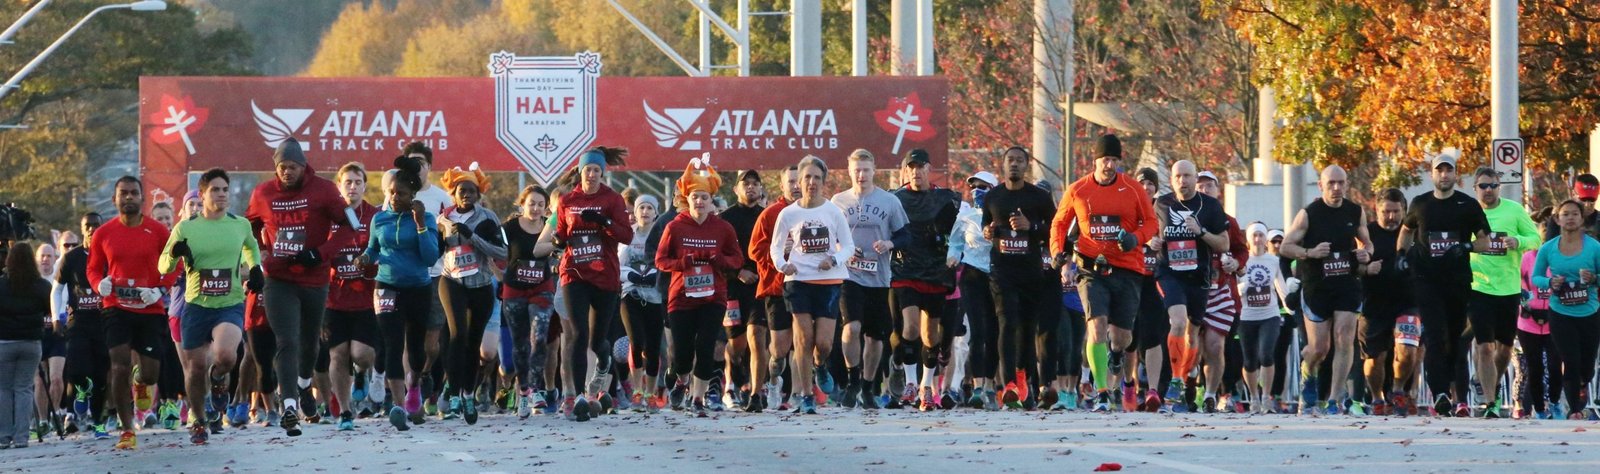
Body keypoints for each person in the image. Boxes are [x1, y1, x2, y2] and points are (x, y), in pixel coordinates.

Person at [245, 138, 354, 436]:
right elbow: (248, 226)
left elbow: (350, 225)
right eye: (281, 167)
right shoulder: (263, 193)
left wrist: (321, 253)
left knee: (310, 343)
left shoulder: (324, 190)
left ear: (303, 166)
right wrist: (259, 253)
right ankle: (289, 405)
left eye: (292, 167)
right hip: (278, 278)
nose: (286, 173)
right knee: (286, 340)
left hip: (314, 277)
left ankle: (305, 385)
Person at [1050, 135, 1159, 412]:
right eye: (1104, 160)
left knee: (1122, 336)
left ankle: (1117, 354)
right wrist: (1057, 253)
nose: (1109, 165)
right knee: (1096, 326)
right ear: (1094, 161)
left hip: (1127, 269)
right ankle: (1101, 391)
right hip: (1091, 268)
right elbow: (1060, 223)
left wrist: (1136, 238)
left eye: (1114, 160)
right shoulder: (1078, 189)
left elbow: (1151, 222)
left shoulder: (1133, 189)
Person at [158, 168, 262, 444]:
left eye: (225, 189)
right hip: (196, 306)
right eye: (215, 190)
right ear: (202, 195)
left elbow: (251, 248)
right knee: (194, 369)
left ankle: (218, 380)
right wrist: (174, 253)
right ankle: (199, 421)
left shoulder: (239, 224)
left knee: (227, 356)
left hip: (229, 304)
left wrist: (256, 268)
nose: (222, 194)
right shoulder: (186, 228)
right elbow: (162, 266)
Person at [1398, 148, 1491, 417]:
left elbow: (1485, 242)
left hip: (1458, 280)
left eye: (1449, 170)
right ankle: (1439, 392)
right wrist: (1401, 255)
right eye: (1439, 170)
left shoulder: (1468, 205)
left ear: (1456, 175)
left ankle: (1449, 387)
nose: (1444, 174)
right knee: (1435, 336)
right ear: (1432, 174)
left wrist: (1466, 246)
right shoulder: (1420, 204)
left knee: (1453, 337)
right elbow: (1406, 231)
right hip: (1427, 279)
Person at [87, 176, 176, 449]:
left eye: (133, 193)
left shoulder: (158, 231)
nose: (128, 197)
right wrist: (98, 284)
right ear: (115, 199)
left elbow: (175, 265)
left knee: (150, 374)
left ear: (142, 198)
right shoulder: (103, 233)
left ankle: (141, 381)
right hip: (116, 307)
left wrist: (160, 290)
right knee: (118, 365)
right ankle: (127, 429)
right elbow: (92, 268)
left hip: (149, 308)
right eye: (123, 193)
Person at [1279, 165, 1373, 415]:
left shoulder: (1355, 211)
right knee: (1319, 348)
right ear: (1321, 186)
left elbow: (1368, 243)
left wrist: (1367, 253)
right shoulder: (1309, 214)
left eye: (1341, 183)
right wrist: (1309, 252)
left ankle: (1335, 398)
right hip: (1317, 285)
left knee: (1344, 338)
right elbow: (1286, 247)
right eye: (1331, 183)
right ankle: (1308, 374)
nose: (1337, 188)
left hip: (1346, 283)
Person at [656, 159, 745, 416]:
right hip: (681, 298)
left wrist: (720, 261)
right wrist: (684, 262)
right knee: (682, 355)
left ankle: (698, 398)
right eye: (695, 197)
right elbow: (660, 260)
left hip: (713, 297)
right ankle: (682, 382)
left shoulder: (723, 228)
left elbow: (737, 259)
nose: (699, 202)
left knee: (706, 348)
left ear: (711, 200)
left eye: (704, 197)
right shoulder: (674, 227)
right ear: (687, 199)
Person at [770, 155, 856, 414]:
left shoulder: (832, 211)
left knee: (825, 343)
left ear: (823, 182)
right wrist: (782, 265)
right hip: (798, 281)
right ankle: (806, 395)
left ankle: (821, 365)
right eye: (807, 177)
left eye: (817, 178)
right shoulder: (788, 213)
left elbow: (849, 246)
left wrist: (835, 259)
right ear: (799, 181)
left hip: (828, 282)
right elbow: (775, 248)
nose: (811, 182)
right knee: (804, 338)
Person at [361, 156, 442, 431]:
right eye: (391, 192)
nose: (395, 198)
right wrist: (365, 258)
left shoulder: (426, 218)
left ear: (413, 195)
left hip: (418, 288)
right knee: (393, 344)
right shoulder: (380, 219)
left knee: (416, 350)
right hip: (386, 286)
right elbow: (373, 249)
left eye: (402, 194)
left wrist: (420, 224)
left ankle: (414, 387)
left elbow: (430, 257)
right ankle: (397, 405)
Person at [552, 147, 633, 421]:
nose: (592, 174)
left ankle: (603, 367)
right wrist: (557, 240)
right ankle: (576, 397)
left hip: (605, 275)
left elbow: (627, 235)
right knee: (577, 334)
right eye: (588, 169)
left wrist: (604, 221)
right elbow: (561, 233)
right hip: (575, 273)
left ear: (602, 173)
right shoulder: (567, 200)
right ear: (581, 171)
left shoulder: (612, 199)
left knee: (599, 341)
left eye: (597, 170)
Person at [830, 149, 910, 410]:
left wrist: (889, 242)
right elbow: (828, 236)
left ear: (874, 170)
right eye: (856, 170)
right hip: (849, 275)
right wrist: (841, 250)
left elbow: (906, 235)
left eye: (865, 170)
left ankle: (867, 385)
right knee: (851, 328)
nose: (861, 175)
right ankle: (853, 378)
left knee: (876, 337)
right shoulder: (838, 201)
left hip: (879, 277)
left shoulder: (889, 201)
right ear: (849, 171)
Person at [982, 147, 1059, 409]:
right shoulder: (993, 197)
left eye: (1019, 161)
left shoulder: (1038, 197)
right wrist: (988, 232)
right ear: (1003, 165)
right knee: (1007, 321)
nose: (1014, 165)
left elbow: (1054, 231)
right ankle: (1009, 384)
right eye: (1010, 160)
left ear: (1026, 165)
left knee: (1027, 328)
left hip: (1031, 271)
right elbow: (987, 228)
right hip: (1002, 270)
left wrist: (1032, 227)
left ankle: (1024, 377)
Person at [1149, 161, 1229, 413]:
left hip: (1199, 278)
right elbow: (1147, 231)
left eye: (1187, 176)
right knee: (1178, 321)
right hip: (1169, 274)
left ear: (1195, 179)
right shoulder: (1161, 204)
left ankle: (1183, 377)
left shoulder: (1211, 206)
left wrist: (1201, 231)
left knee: (1192, 335)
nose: (1182, 180)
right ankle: (1175, 378)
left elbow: (1224, 244)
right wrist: (1150, 240)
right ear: (1171, 180)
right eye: (1178, 176)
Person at [1462, 167, 1539, 418]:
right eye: (1483, 186)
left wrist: (1518, 241)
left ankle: (1487, 383)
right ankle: (1490, 402)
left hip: (1507, 289)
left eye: (1492, 186)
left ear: (1499, 187)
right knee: (1484, 346)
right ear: (1475, 188)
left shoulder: (1514, 210)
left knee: (1504, 350)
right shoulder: (1467, 212)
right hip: (1478, 286)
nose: (1488, 190)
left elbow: (1535, 238)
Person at [435, 163, 507, 425]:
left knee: (474, 340)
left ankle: (468, 392)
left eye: (471, 191)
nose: (466, 194)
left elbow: (502, 254)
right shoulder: (442, 219)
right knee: (457, 334)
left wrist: (472, 237)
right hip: (451, 280)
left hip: (480, 284)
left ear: (479, 194)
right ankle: (453, 393)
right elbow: (434, 251)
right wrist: (439, 240)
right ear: (453, 194)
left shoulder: (488, 217)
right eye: (461, 190)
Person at [888, 149, 961, 411]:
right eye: (912, 167)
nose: (916, 172)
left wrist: (955, 252)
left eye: (921, 167)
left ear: (930, 169)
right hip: (904, 270)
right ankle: (909, 381)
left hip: (936, 273)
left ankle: (926, 386)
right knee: (909, 328)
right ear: (906, 171)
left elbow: (962, 232)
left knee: (931, 336)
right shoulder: (895, 199)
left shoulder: (947, 199)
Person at [323, 162, 380, 431]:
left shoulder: (374, 216)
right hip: (334, 299)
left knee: (361, 355)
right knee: (337, 356)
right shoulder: (328, 218)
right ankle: (345, 412)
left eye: (358, 182)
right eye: (348, 182)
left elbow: (384, 250)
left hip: (366, 300)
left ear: (365, 186)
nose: (353, 187)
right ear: (339, 186)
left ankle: (361, 373)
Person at [1531, 199, 1600, 420]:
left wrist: (1594, 278)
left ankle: (1582, 383)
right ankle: (1575, 409)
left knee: (1587, 365)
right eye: (1565, 214)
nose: (1570, 218)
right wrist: (1551, 283)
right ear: (1557, 219)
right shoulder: (1548, 248)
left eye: (1575, 214)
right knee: (1570, 361)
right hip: (1560, 312)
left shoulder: (1594, 247)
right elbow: (1536, 277)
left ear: (1582, 219)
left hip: (1589, 312)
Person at [400, 142, 452, 418]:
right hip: (405, 276)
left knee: (432, 344)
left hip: (435, 275)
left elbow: (453, 235)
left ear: (429, 167)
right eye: (411, 163)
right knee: (409, 338)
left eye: (421, 163)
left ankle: (426, 372)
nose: (416, 168)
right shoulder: (397, 195)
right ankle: (411, 391)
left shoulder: (442, 198)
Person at [1359, 189, 1421, 416]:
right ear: (1377, 210)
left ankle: (1397, 391)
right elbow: (1351, 265)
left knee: (1407, 351)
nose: (1391, 217)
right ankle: (1377, 398)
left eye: (1396, 212)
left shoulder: (1414, 233)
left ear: (1404, 211)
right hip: (1374, 305)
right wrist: (1365, 268)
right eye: (1386, 212)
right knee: (1375, 359)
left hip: (1408, 302)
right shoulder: (1366, 235)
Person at [502, 185, 558, 418]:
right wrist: (498, 275)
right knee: (520, 344)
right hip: (514, 290)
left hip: (541, 289)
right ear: (522, 204)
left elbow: (560, 248)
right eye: (531, 203)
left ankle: (536, 390)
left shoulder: (549, 229)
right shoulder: (509, 228)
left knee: (539, 339)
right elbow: (493, 251)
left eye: (541, 205)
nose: (535, 208)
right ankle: (523, 390)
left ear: (546, 209)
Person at [749, 166, 802, 410]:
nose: (796, 185)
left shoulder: (818, 211)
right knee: (780, 348)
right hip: (776, 287)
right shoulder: (771, 214)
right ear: (782, 185)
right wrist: (782, 259)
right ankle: (773, 381)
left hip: (808, 286)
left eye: (799, 180)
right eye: (790, 181)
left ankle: (801, 394)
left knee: (804, 341)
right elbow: (755, 250)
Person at [718, 170, 769, 412]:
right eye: (745, 184)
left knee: (757, 336)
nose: (750, 188)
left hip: (761, 287)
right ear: (737, 189)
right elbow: (718, 254)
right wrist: (738, 272)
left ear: (761, 189)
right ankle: (731, 382)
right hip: (733, 287)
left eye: (754, 184)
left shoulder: (767, 216)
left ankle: (757, 392)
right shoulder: (725, 219)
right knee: (736, 344)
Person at [57, 213, 110, 439]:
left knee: (101, 375)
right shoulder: (71, 257)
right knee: (78, 369)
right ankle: (80, 392)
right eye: (88, 226)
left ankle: (99, 423)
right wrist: (56, 316)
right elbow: (56, 289)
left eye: (96, 225)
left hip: (104, 322)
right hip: (77, 323)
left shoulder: (109, 255)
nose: (92, 229)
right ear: (82, 229)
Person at [949, 171, 998, 409]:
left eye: (983, 187)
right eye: (974, 187)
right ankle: (978, 386)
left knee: (995, 333)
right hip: (972, 275)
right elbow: (955, 242)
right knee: (977, 332)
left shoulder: (1003, 213)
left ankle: (991, 384)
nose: (977, 190)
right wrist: (951, 257)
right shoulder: (966, 215)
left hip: (998, 275)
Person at [1237, 223, 1291, 413]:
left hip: (1270, 314)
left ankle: (1267, 397)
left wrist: (1289, 304)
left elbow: (1280, 286)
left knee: (1267, 354)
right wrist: (1239, 290)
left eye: (1261, 235)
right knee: (1250, 360)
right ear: (1248, 240)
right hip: (1246, 316)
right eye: (1254, 236)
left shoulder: (1273, 261)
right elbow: (1231, 286)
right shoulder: (1241, 260)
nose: (1258, 239)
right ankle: (1253, 397)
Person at [0, 242, 50, 448]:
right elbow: (49, 310)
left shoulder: (2, 285)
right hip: (31, 342)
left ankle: (3, 436)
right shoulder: (41, 286)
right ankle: (21, 436)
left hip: (5, 342)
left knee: (3, 389)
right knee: (23, 387)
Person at [618, 194, 664, 411]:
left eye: (649, 208)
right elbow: (617, 265)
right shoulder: (627, 236)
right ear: (635, 212)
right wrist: (631, 276)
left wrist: (657, 274)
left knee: (653, 348)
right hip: (631, 294)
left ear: (656, 212)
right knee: (636, 342)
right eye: (641, 208)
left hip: (655, 297)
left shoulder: (662, 235)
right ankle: (637, 390)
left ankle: (651, 393)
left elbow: (667, 262)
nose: (645, 212)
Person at [1517, 248, 1562, 419]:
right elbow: (1519, 283)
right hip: (1528, 322)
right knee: (1535, 367)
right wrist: (1528, 307)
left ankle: (1555, 403)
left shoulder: (1561, 258)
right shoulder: (1527, 257)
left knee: (1554, 365)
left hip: (1555, 321)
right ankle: (1539, 409)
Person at [31, 243, 65, 440]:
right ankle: (43, 420)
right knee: (39, 380)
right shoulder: (32, 282)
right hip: (37, 334)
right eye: (42, 256)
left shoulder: (60, 280)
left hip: (56, 334)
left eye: (49, 256)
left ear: (55, 259)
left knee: (57, 379)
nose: (45, 259)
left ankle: (56, 413)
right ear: (37, 259)